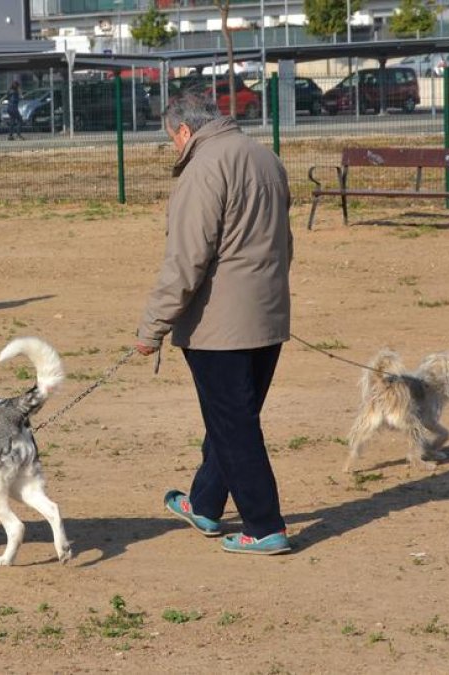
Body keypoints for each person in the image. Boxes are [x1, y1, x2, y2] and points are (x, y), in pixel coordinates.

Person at [136, 92, 293, 556]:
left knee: (234, 425)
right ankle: (204, 502)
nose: (173, 149)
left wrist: (152, 327)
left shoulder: (203, 168)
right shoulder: (265, 157)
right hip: (267, 313)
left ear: (185, 131)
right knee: (231, 419)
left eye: (171, 140)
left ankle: (264, 525)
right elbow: (285, 241)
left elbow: (186, 258)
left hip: (219, 325)